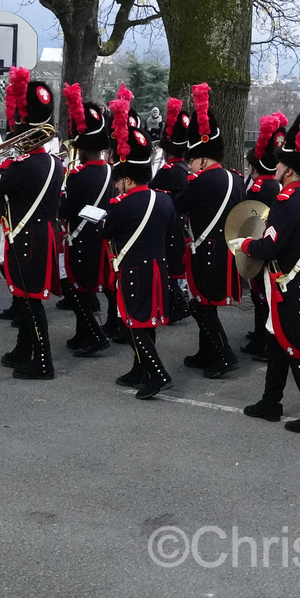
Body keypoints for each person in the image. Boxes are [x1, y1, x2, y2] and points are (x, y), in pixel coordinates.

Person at [231, 91, 300, 435]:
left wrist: (245, 242)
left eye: (279, 163)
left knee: (297, 350)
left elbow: (269, 247)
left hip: (290, 286)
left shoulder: (289, 201)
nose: (275, 166)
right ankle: (271, 401)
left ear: (289, 167)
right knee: (277, 340)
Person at [0, 71, 64, 380]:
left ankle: (43, 361)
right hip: (40, 235)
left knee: (32, 303)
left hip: (28, 238)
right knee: (24, 298)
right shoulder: (52, 161)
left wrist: (4, 161)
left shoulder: (24, 164)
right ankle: (23, 349)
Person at [103, 91, 176, 399]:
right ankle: (140, 369)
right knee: (148, 322)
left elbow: (105, 232)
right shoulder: (163, 200)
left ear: (128, 179)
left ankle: (157, 374)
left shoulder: (122, 205)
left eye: (120, 179)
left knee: (135, 322)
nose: (117, 183)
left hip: (134, 269)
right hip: (158, 268)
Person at [177, 83, 246, 377]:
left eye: (192, 161)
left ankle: (224, 354)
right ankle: (207, 351)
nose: (190, 167)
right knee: (207, 305)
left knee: (203, 307)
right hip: (226, 249)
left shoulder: (202, 181)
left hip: (206, 250)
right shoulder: (235, 178)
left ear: (203, 158)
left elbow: (178, 205)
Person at [59, 85, 115, 357]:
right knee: (86, 288)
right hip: (100, 235)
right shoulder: (109, 172)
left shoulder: (79, 177)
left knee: (78, 289)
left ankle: (93, 334)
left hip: (81, 239)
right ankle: (83, 333)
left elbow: (66, 210)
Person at [240, 112, 288, 359]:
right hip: (267, 242)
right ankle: (260, 334)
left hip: (260, 242)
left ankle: (263, 339)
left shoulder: (260, 186)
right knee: (262, 295)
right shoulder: (275, 184)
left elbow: (247, 213)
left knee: (261, 295)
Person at [151, 97, 195, 324]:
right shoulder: (186, 168)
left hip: (170, 228)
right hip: (183, 227)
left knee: (167, 270)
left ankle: (173, 305)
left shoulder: (168, 171)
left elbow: (150, 194)